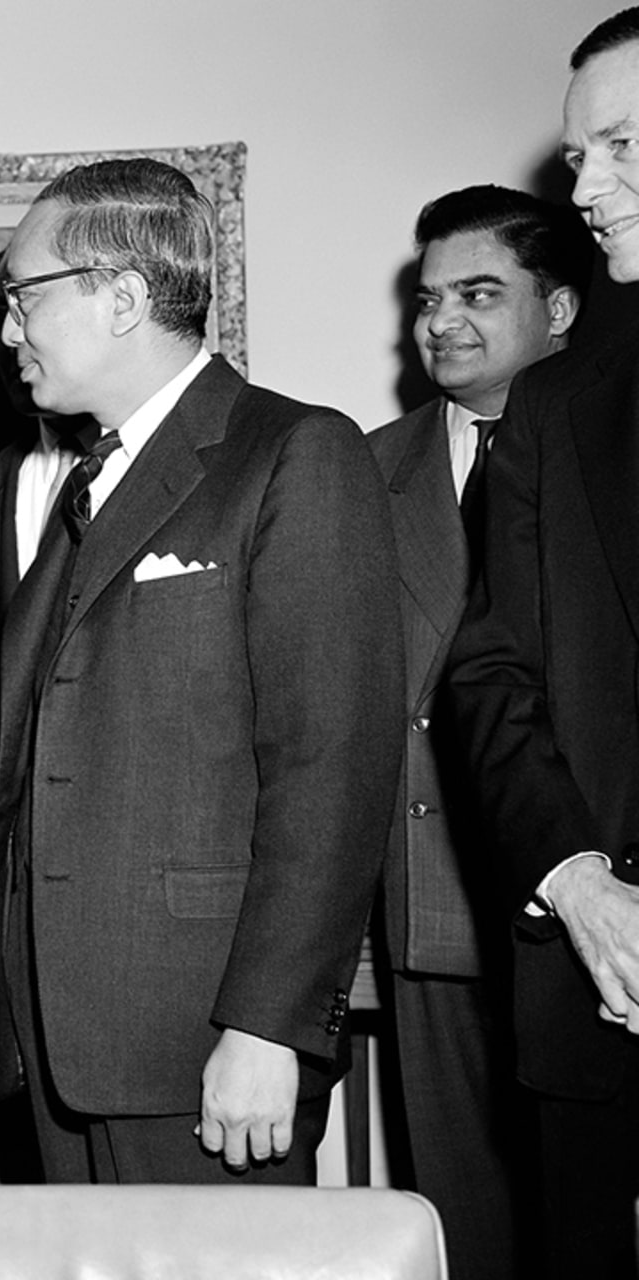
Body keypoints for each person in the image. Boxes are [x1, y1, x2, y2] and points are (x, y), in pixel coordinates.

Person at [0, 158, 402, 1184]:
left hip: (203, 1044)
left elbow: (331, 769)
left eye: (22, 297)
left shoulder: (294, 452)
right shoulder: (85, 481)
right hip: (64, 1049)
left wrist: (270, 1025)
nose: (4, 330)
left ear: (121, 297)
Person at [365, 184, 589, 1280]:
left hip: (600, 903)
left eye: (479, 293)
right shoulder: (365, 470)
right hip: (432, 894)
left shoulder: (615, 445)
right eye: (429, 296)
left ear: (557, 309)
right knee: (464, 1218)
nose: (442, 319)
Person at [446, 12, 639, 1276]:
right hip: (603, 984)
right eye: (581, 153)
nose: (589, 186)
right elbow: (487, 668)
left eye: (623, 144)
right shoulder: (562, 398)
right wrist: (577, 879)